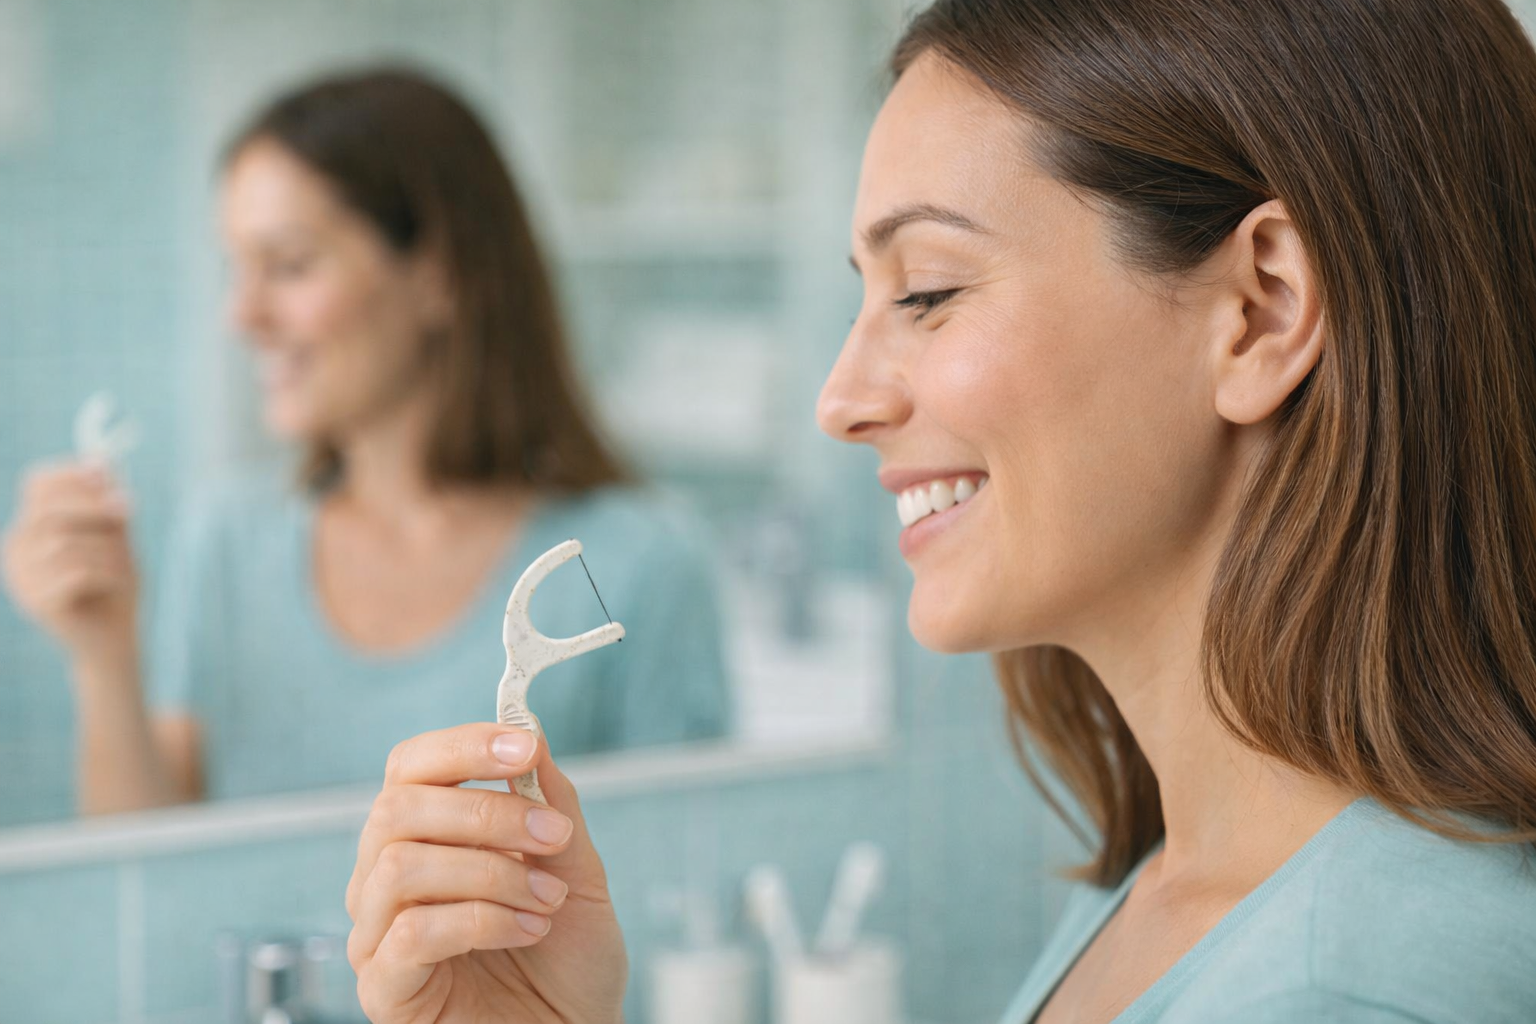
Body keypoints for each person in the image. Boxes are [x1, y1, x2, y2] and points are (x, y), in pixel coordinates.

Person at [340, 1, 1536, 1021]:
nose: (841, 399)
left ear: (1263, 311)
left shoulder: (1354, 987)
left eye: (929, 291)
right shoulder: (1187, 888)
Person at [1, 68, 730, 814]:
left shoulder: (641, 564)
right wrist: (103, 655)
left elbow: (681, 876)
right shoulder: (225, 540)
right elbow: (147, 879)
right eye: (237, 270)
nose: (242, 316)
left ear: (438, 271)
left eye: (287, 266)